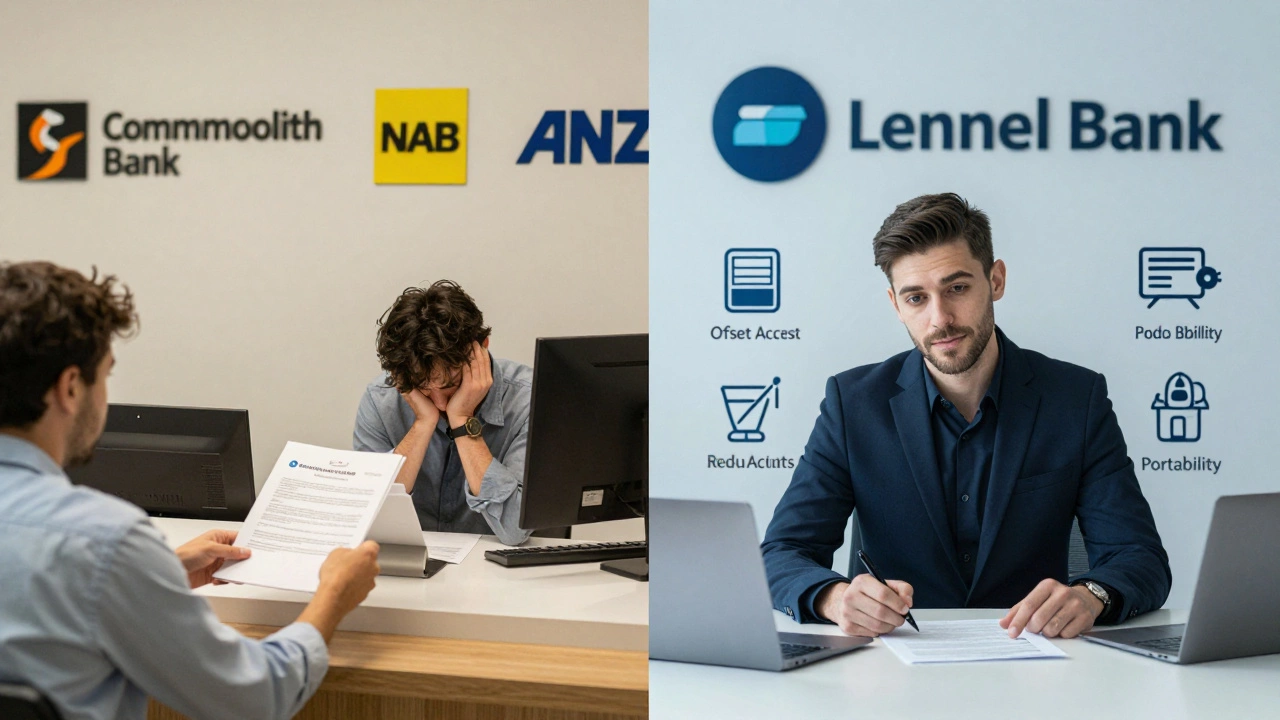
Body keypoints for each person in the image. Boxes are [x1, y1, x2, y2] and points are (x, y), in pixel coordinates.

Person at [761, 193, 1171, 640]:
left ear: (995, 280)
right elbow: (782, 552)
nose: (941, 319)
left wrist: (1093, 594)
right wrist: (834, 598)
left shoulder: (1076, 399)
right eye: (917, 298)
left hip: (1039, 665)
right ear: (896, 305)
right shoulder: (853, 404)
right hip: (895, 669)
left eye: (957, 288)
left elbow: (1139, 557)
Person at [0, 261, 382, 720]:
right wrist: (333, 595)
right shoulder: (106, 539)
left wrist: (156, 573)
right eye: (106, 376)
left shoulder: (100, 548)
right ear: (70, 388)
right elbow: (253, 696)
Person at [353, 280, 532, 545]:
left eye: (451, 384)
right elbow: (366, 523)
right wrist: (423, 423)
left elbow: (515, 530)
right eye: (423, 387)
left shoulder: (528, 400)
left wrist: (462, 420)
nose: (439, 403)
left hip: (500, 577)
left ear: (482, 347)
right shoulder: (381, 400)